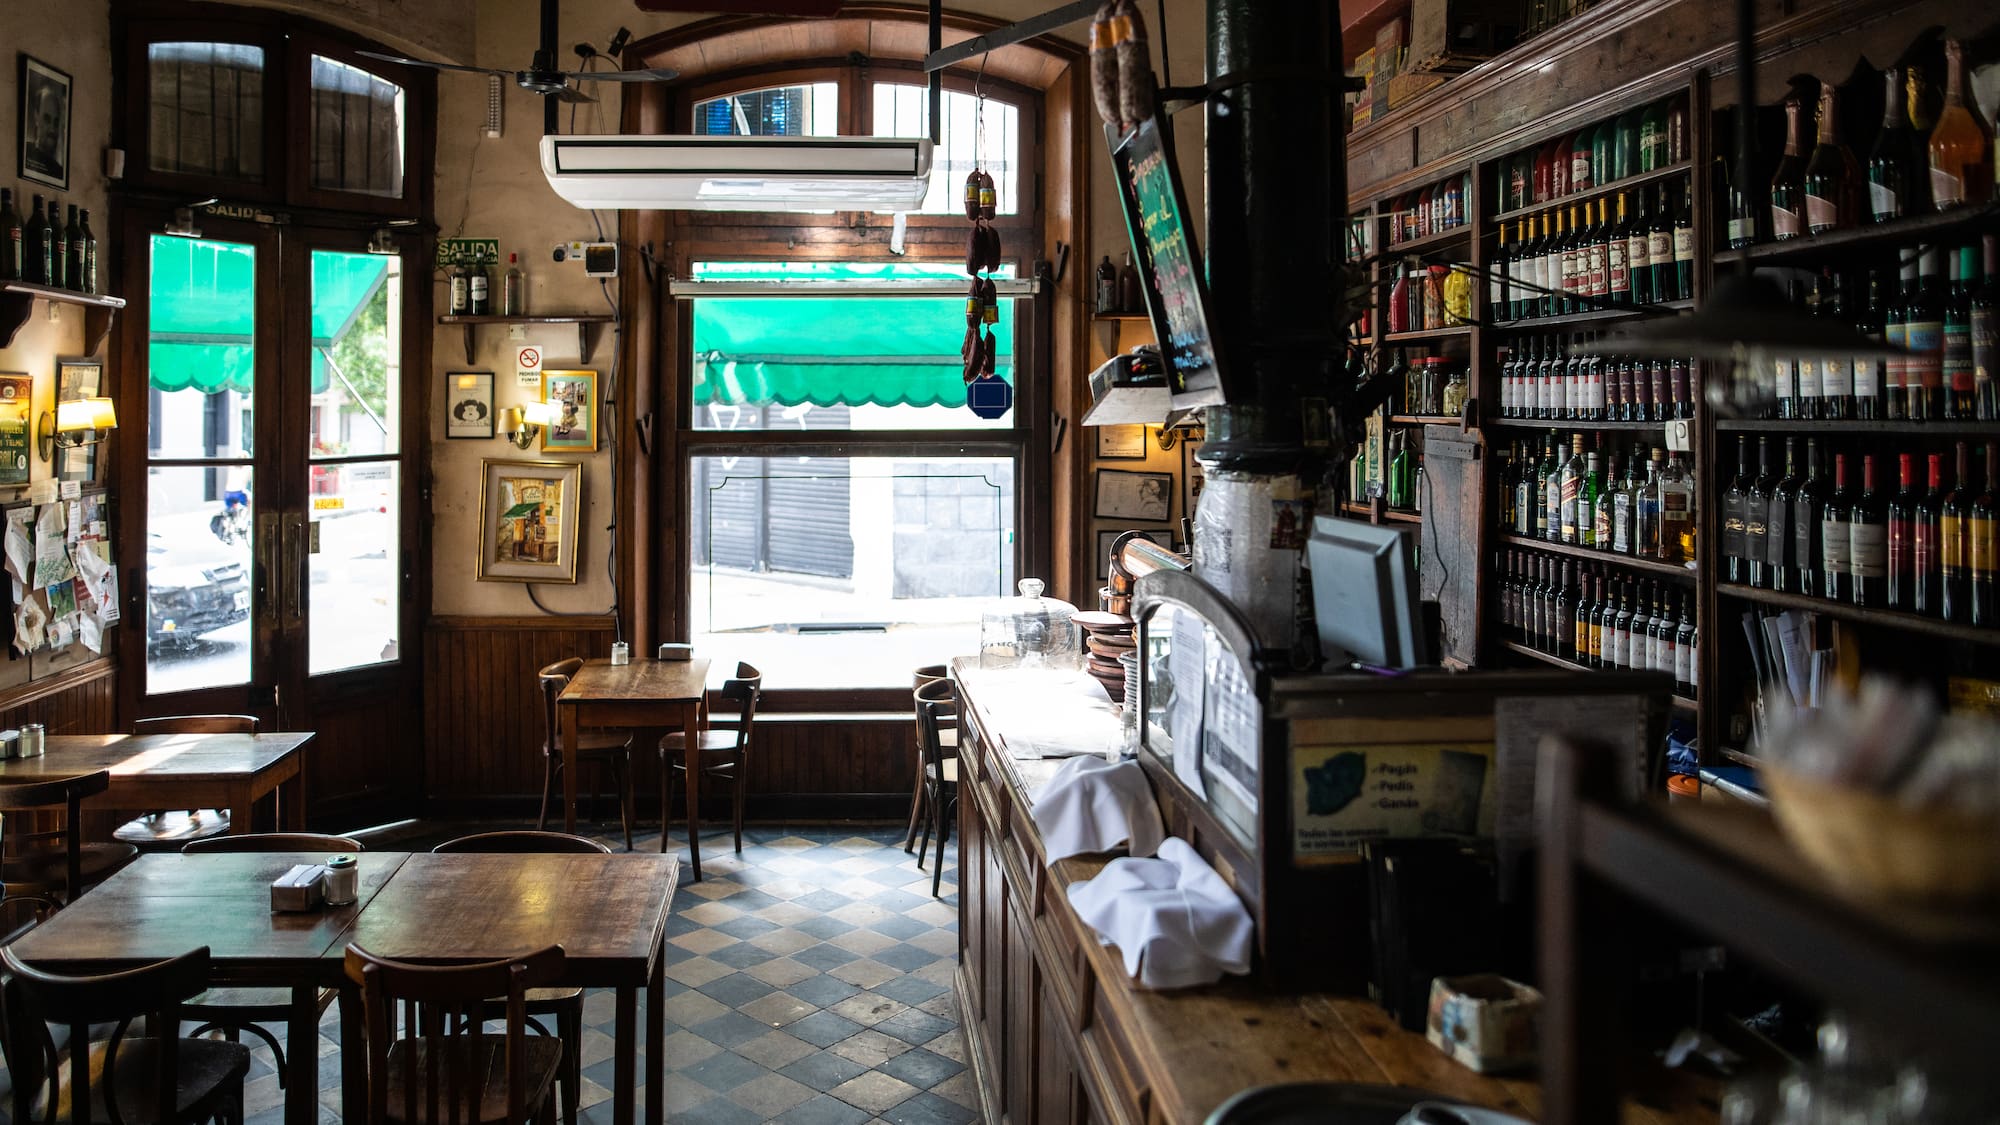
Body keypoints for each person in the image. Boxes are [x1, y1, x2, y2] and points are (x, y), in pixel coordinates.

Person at [23, 77, 65, 183]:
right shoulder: (25, 153)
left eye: (55, 122)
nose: (52, 129)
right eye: (47, 119)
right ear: (36, 116)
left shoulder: (59, 172)